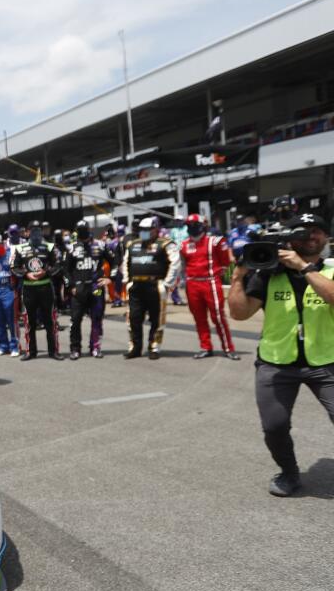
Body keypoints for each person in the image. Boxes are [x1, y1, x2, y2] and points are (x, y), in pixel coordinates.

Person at [227, 213, 334, 497]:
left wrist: (303, 268)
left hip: (326, 361)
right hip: (276, 362)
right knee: (274, 427)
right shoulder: (268, 272)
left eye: (317, 231)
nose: (311, 236)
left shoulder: (332, 268)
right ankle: (289, 473)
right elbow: (239, 313)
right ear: (289, 239)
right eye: (303, 232)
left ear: (326, 237)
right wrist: (239, 276)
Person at [121, 216, 181, 359]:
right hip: (135, 287)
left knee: (157, 319)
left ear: (156, 230)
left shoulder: (166, 244)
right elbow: (126, 263)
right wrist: (126, 281)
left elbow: (175, 264)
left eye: (147, 230)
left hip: (156, 286)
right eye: (142, 230)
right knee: (133, 318)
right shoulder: (132, 244)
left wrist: (167, 284)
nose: (144, 232)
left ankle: (154, 347)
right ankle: (135, 347)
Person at [180, 214, 238, 359]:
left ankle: (228, 348)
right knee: (199, 318)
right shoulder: (184, 245)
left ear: (203, 226)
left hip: (210, 282)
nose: (191, 228)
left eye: (194, 225)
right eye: (189, 225)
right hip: (192, 283)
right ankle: (205, 347)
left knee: (218, 317)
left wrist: (216, 274)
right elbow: (182, 265)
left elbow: (225, 262)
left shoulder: (216, 242)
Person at [64, 221, 116, 359]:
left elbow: (115, 261)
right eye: (79, 230)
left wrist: (110, 278)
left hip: (95, 288)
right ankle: (75, 348)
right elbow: (66, 271)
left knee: (97, 317)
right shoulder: (71, 248)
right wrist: (71, 286)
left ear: (89, 229)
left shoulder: (100, 245)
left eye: (84, 229)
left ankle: (95, 347)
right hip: (78, 289)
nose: (82, 232)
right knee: (75, 319)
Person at [12, 221, 63, 360]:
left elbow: (58, 265)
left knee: (50, 322)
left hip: (46, 288)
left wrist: (46, 272)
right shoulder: (19, 248)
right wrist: (25, 274)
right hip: (29, 289)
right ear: (27, 232)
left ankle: (54, 351)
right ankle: (31, 352)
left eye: (38, 230)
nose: (35, 233)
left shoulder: (50, 246)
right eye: (32, 230)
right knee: (29, 322)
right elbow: (14, 267)